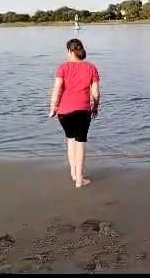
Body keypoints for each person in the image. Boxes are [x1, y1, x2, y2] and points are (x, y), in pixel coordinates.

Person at [49, 38, 100, 188]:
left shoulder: (63, 68)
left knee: (70, 141)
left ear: (69, 51)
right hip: (82, 110)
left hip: (64, 112)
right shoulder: (91, 67)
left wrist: (53, 107)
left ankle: (73, 173)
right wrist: (95, 107)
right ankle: (79, 179)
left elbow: (57, 89)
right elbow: (96, 92)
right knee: (81, 143)